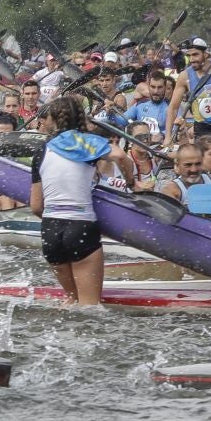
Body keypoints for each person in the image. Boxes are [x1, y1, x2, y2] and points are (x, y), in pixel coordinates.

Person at [30, 97, 131, 307]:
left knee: (72, 301)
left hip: (50, 231)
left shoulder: (41, 150)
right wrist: (132, 184)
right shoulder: (87, 142)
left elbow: (36, 206)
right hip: (80, 226)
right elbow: (120, 156)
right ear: (81, 119)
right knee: (89, 309)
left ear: (53, 120)